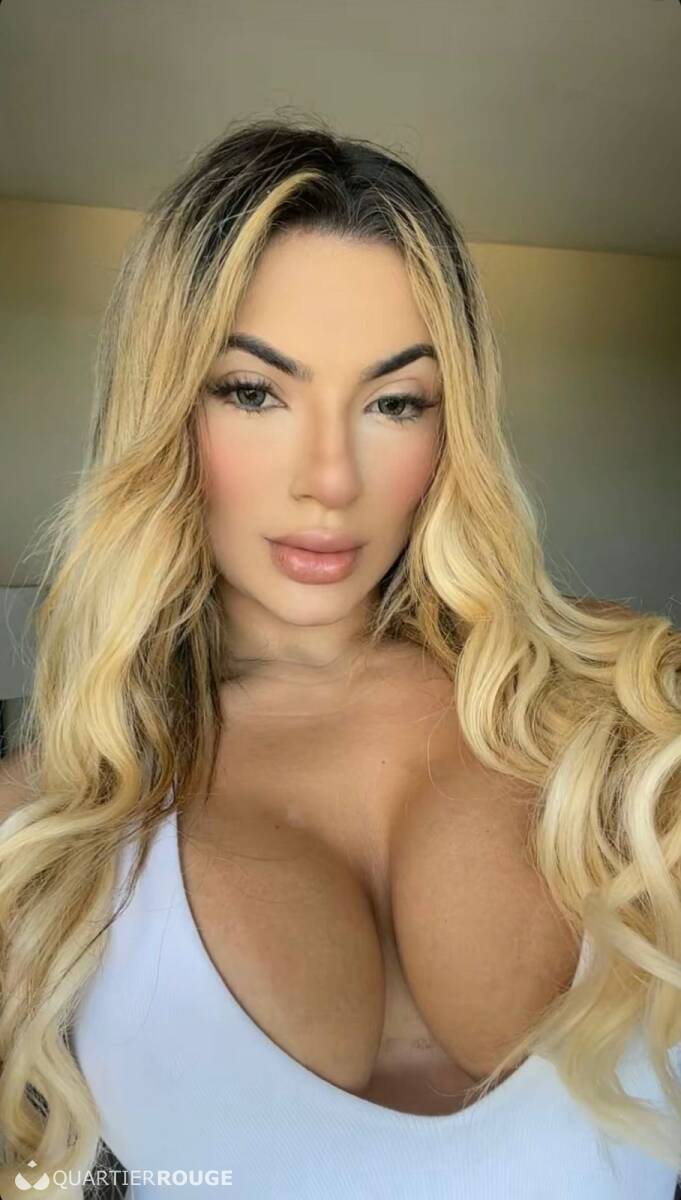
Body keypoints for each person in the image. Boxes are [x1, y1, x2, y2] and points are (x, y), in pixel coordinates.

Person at [1, 116, 680, 1200]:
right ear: (166, 408)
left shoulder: (623, 720)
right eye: (253, 391)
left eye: (394, 402)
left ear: (450, 432)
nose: (330, 478)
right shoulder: (43, 831)